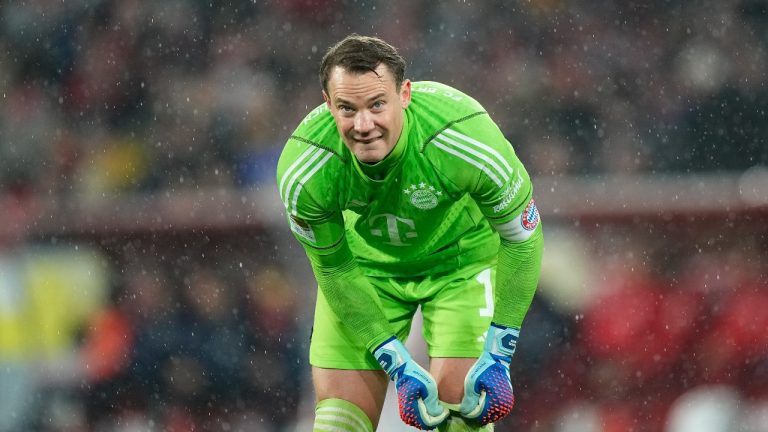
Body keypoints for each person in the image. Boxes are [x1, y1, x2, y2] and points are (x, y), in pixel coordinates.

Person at [275, 34, 543, 432]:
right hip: (364, 273)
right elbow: (334, 269)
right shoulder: (305, 170)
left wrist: (499, 351)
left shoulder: (464, 136)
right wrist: (396, 363)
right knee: (337, 423)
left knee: (462, 409)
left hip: (459, 265)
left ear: (405, 95)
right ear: (328, 104)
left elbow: (522, 239)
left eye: (376, 105)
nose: (363, 125)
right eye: (347, 108)